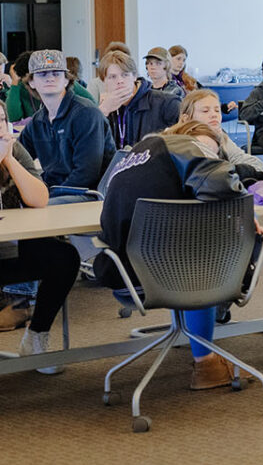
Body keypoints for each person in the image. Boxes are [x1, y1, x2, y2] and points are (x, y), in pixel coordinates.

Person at [98, 118, 263, 391]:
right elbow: (222, 180)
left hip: (124, 274)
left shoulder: (136, 155)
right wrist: (244, 211)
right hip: (177, 274)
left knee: (192, 247)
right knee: (208, 253)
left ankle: (202, 353)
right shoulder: (180, 145)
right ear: (186, 138)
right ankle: (206, 363)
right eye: (208, 152)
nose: (211, 158)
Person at [0, 114, 79, 372]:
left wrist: (9, 159)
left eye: (1, 120)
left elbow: (39, 199)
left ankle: (35, 339)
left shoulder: (13, 148)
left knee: (63, 257)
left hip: (12, 247)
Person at [17, 50, 112, 196]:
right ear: (31, 82)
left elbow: (86, 174)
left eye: (56, 73)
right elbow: (18, 158)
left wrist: (46, 195)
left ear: (66, 80)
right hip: (55, 192)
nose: (50, 78)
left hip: (87, 195)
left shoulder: (86, 113)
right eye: (42, 74)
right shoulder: (37, 121)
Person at [100, 49, 181, 151]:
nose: (120, 81)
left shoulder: (167, 103)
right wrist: (102, 112)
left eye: (125, 75)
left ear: (134, 76)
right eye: (112, 77)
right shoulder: (105, 109)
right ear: (104, 81)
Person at [177, 89, 263, 174]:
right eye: (205, 111)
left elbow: (244, 159)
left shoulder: (220, 135)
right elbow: (214, 175)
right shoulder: (185, 145)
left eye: (217, 110)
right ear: (186, 118)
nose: (214, 115)